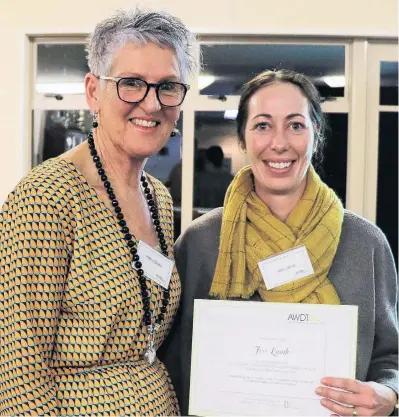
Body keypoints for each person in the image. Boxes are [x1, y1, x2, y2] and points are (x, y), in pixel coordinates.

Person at [161, 70, 398, 416]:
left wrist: (388, 393)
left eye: (296, 125)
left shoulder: (365, 243)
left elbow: (391, 355)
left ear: (317, 135)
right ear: (242, 139)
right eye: (262, 125)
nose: (279, 143)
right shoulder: (200, 242)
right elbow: (174, 360)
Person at [0, 8, 197, 416]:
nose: (151, 102)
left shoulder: (158, 198)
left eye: (168, 87)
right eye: (131, 84)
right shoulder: (47, 197)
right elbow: (17, 370)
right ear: (93, 91)